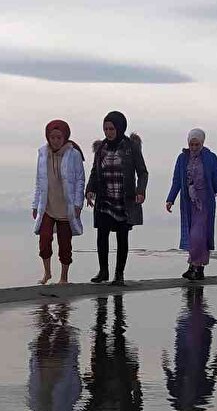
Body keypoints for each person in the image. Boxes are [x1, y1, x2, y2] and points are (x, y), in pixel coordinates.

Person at [85, 111, 148, 286]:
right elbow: (94, 171)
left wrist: (140, 191)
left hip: (124, 200)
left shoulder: (130, 147)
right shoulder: (101, 148)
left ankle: (119, 274)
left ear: (120, 128)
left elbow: (142, 172)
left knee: (122, 237)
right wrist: (89, 190)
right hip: (104, 200)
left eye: (111, 129)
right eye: (105, 129)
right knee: (102, 235)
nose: (108, 132)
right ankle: (103, 271)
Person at [165, 128, 217, 280]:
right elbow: (176, 180)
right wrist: (170, 199)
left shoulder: (210, 158)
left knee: (198, 236)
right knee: (192, 235)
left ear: (202, 143)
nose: (194, 148)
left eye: (197, 145)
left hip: (205, 202)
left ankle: (195, 266)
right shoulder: (182, 158)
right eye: (191, 144)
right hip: (188, 203)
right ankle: (197, 269)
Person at [31, 119, 85, 284]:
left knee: (65, 243)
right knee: (44, 239)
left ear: (65, 137)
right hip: (48, 205)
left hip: (66, 207)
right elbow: (39, 181)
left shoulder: (73, 154)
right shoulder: (43, 153)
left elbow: (80, 180)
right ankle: (47, 273)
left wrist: (78, 203)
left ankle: (64, 277)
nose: (55, 141)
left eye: (58, 138)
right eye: (52, 137)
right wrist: (35, 205)